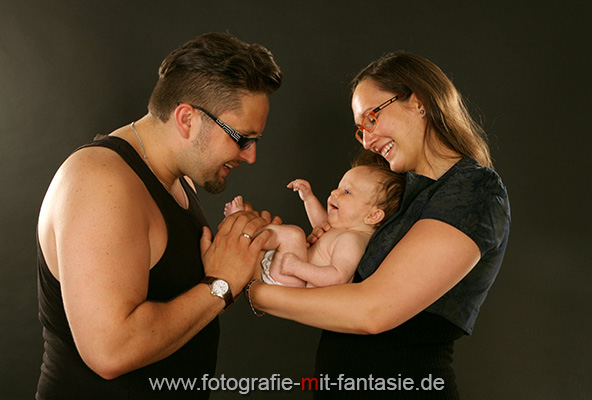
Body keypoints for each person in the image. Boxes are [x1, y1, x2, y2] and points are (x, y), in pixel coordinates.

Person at [247, 51, 511, 399]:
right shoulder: (398, 198)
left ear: (418, 102)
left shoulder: (474, 190)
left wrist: (250, 289)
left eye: (371, 118)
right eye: (360, 131)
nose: (368, 140)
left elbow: (373, 312)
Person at [35, 33, 282, 399]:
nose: (250, 156)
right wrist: (221, 283)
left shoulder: (177, 179)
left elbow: (181, 305)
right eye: (242, 138)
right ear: (187, 119)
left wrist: (239, 259)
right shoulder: (100, 181)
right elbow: (111, 351)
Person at [224, 161, 405, 287]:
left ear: (373, 216)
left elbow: (338, 276)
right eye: (339, 187)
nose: (334, 192)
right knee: (275, 228)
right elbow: (322, 225)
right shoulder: (342, 230)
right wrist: (308, 198)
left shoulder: (353, 241)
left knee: (294, 235)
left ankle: (241, 225)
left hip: (293, 280)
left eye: (347, 192)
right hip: (285, 268)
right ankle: (246, 225)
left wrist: (298, 268)